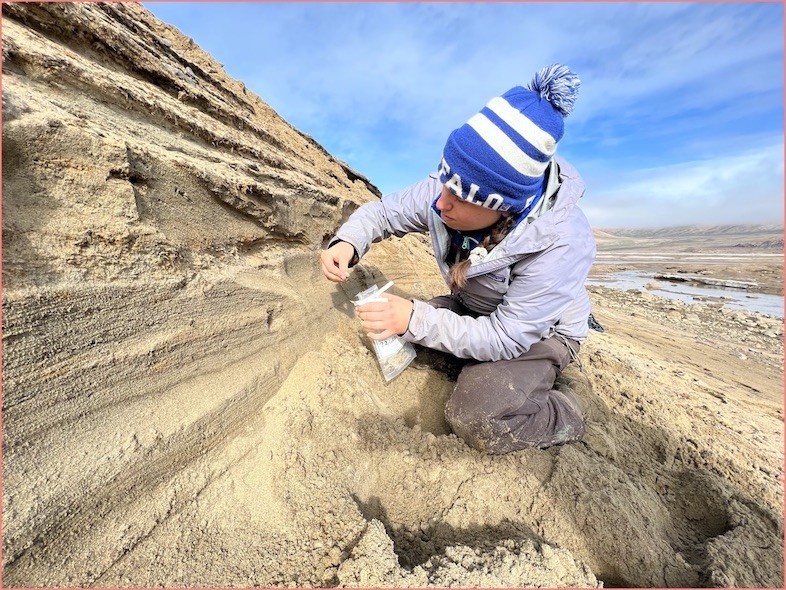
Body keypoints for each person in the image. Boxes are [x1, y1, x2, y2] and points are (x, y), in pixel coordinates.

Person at [320, 64, 596, 454]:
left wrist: (415, 317)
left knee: (477, 416)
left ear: (503, 207)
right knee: (401, 337)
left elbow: (507, 337)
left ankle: (562, 410)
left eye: (461, 195)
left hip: (541, 334)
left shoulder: (562, 242)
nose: (440, 201)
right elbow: (383, 213)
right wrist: (347, 242)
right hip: (475, 307)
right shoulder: (453, 184)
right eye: (445, 180)